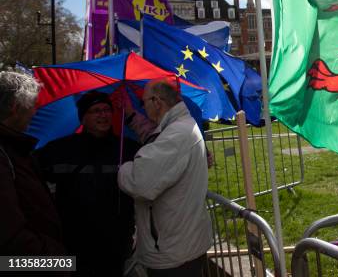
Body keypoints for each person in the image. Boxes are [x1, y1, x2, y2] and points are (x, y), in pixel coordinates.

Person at [35, 90, 139, 276]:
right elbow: (30, 172)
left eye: (107, 109)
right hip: (73, 241)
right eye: (96, 110)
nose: (103, 115)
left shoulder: (128, 148)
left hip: (115, 241)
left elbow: (158, 161)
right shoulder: (60, 149)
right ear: (83, 118)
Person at [119, 79, 213, 276]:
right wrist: (130, 116)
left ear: (157, 102)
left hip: (173, 254)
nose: (142, 107)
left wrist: (124, 168)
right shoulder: (177, 127)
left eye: (143, 102)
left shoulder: (177, 135)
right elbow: (154, 137)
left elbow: (139, 182)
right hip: (180, 245)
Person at [0, 71, 65, 256]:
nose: (34, 112)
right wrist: (58, 265)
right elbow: (10, 239)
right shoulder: (5, 154)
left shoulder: (15, 149)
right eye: (32, 106)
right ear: (15, 107)